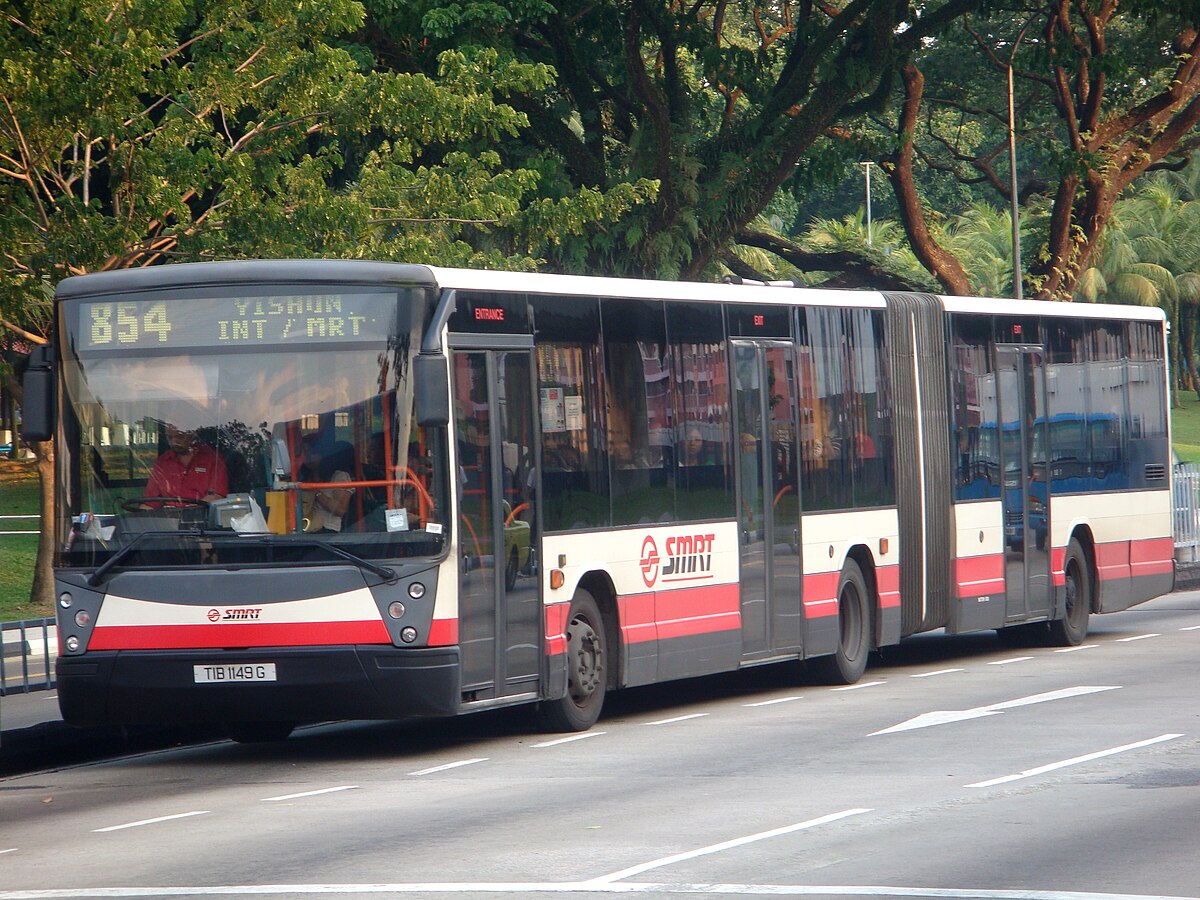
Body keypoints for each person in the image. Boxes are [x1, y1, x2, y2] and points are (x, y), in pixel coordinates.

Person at [144, 424, 228, 502]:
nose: (174, 442)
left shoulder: (213, 459)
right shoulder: (162, 463)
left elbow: (217, 496)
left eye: (179, 436)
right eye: (169, 437)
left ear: (192, 434)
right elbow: (150, 502)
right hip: (168, 516)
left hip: (202, 515)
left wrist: (189, 512)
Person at [300, 436, 355, 533]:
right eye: (304, 453)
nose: (307, 457)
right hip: (303, 529)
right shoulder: (301, 478)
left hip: (327, 532)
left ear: (323, 454)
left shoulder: (339, 477)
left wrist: (316, 493)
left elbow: (340, 510)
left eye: (312, 452)